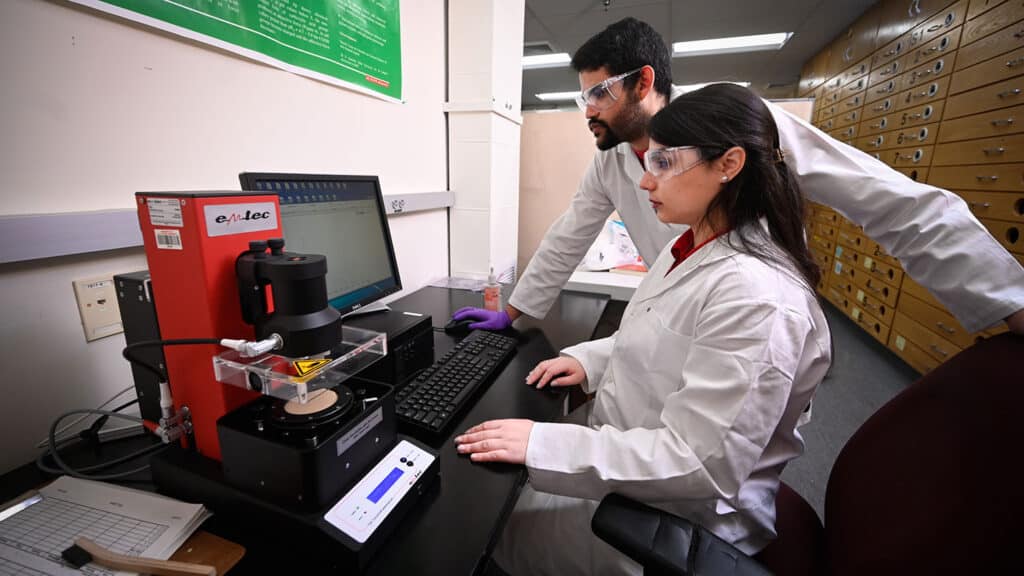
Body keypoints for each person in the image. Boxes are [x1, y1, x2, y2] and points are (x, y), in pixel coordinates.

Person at [455, 83, 833, 575]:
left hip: (668, 520)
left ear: (729, 164)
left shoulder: (757, 296)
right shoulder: (696, 245)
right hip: (629, 458)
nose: (644, 182)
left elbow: (698, 463)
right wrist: (586, 359)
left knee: (482, 526)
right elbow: (656, 332)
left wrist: (541, 444)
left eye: (663, 164)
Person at [451, 17, 1024, 336]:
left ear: (643, 82)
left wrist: (1010, 300)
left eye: (599, 92)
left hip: (757, 320)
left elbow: (889, 201)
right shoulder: (611, 159)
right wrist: (514, 314)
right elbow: (568, 235)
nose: (588, 109)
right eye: (583, 96)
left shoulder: (741, 124)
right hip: (681, 316)